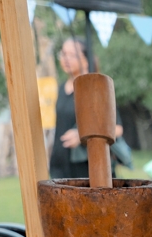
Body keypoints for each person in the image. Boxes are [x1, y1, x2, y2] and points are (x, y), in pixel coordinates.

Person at [49, 38, 123, 179]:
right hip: (60, 163)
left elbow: (117, 128)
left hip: (87, 164)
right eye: (63, 54)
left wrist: (81, 135)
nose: (66, 59)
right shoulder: (60, 88)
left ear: (86, 59)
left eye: (72, 55)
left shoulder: (95, 88)